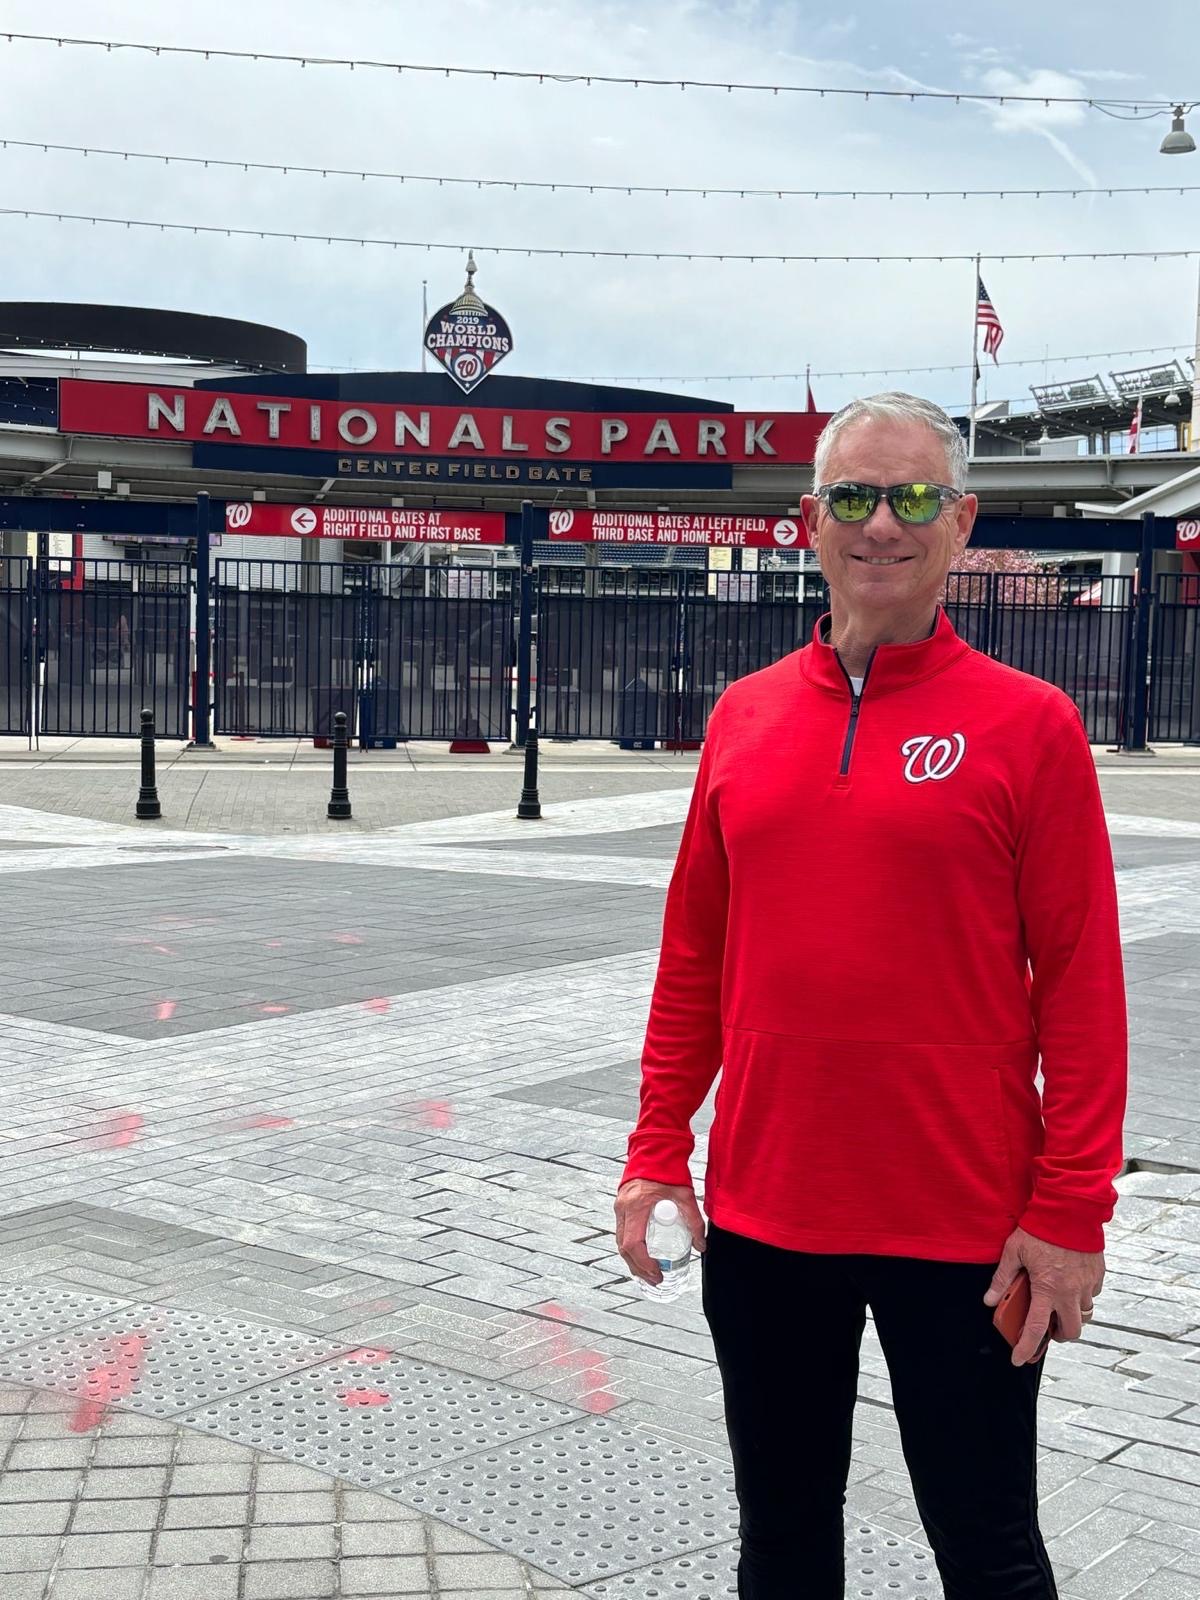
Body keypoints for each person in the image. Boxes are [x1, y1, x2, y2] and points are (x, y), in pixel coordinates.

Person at [614, 393, 1127, 1600]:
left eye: (910, 499)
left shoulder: (1029, 727)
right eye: (853, 496)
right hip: (769, 1215)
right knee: (783, 1543)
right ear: (809, 521)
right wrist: (655, 1145)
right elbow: (694, 953)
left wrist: (1073, 1211)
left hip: (966, 1228)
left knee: (989, 1549)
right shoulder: (744, 718)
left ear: (961, 525)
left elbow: (1085, 988)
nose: (880, 524)